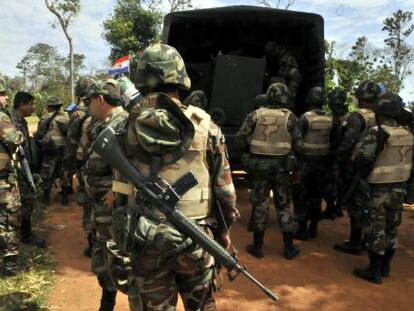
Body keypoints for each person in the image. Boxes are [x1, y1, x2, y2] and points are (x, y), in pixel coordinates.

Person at [122, 43, 239, 311]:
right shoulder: (207, 126)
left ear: (142, 79)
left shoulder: (125, 127)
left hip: (146, 240)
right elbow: (226, 195)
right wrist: (222, 234)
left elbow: (119, 189)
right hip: (196, 239)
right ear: (181, 78)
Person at [236, 82, 303, 260]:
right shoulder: (291, 118)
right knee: (283, 206)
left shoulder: (255, 115)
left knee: (260, 204)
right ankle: (289, 248)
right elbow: (299, 146)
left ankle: (258, 247)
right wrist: (296, 167)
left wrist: (247, 156)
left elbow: (240, 138)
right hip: (282, 170)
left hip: (258, 168)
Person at [352, 93, 413, 284]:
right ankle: (385, 267)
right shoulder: (408, 133)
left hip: (378, 189)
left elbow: (362, 157)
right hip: (399, 189)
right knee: (392, 228)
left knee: (375, 229)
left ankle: (374, 270)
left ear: (379, 111)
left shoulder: (377, 132)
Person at [83, 79, 128, 311]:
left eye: (90, 101)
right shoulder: (105, 123)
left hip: (115, 208)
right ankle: (106, 303)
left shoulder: (124, 124)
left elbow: (133, 167)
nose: (88, 106)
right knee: (104, 255)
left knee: (118, 257)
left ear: (100, 99)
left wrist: (115, 191)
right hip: (101, 204)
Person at [333, 80, 380, 255]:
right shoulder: (381, 116)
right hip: (374, 168)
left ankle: (355, 241)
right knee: (368, 204)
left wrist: (338, 164)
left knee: (355, 204)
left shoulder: (357, 117)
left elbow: (347, 144)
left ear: (359, 96)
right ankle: (365, 240)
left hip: (355, 167)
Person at [294, 87, 332, 240]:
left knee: (302, 195)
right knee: (316, 196)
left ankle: (302, 229)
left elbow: (297, 140)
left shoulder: (305, 118)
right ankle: (314, 228)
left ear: (309, 100)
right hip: (323, 164)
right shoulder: (331, 119)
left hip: (306, 163)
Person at [64, 76, 97, 257]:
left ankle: (92, 244)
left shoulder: (78, 115)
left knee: (88, 204)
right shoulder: (106, 109)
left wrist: (68, 169)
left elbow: (71, 144)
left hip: (86, 167)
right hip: (107, 167)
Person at [12, 92, 46, 248]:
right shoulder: (12, 121)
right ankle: (24, 236)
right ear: (22, 105)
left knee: (27, 201)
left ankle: (23, 234)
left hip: (24, 167)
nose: (33, 107)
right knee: (25, 202)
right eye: (31, 104)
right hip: (17, 169)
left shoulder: (21, 121)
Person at [0, 79, 24, 277]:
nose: (6, 97)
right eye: (2, 93)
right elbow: (14, 138)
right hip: (2, 179)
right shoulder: (1, 117)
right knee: (10, 217)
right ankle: (10, 262)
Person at [34, 98, 70, 206]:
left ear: (49, 107)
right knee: (64, 172)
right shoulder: (65, 118)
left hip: (50, 149)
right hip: (63, 148)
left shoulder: (45, 118)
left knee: (47, 172)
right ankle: (64, 198)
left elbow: (40, 134)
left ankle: (46, 198)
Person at [321, 87, 349, 220]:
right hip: (331, 155)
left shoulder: (349, 119)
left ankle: (337, 207)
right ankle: (331, 207)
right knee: (330, 183)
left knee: (340, 183)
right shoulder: (330, 117)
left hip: (342, 157)